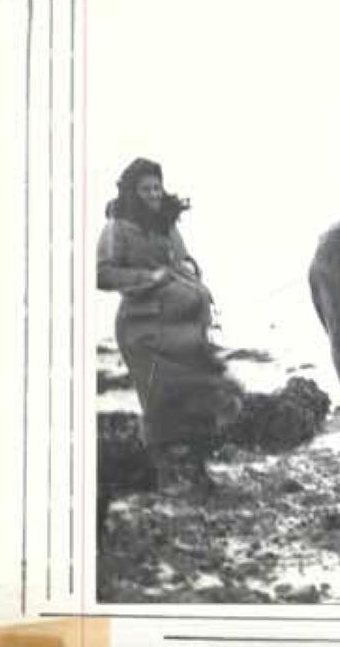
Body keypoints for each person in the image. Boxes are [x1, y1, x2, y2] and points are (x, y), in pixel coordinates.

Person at [96, 158, 241, 493]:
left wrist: (190, 270)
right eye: (145, 189)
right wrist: (148, 278)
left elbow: (181, 259)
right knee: (160, 403)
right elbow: (101, 274)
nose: (153, 194)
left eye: (156, 187)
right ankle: (165, 478)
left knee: (201, 395)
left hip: (185, 328)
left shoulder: (167, 223)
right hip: (143, 329)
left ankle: (198, 471)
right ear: (132, 192)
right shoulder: (117, 228)